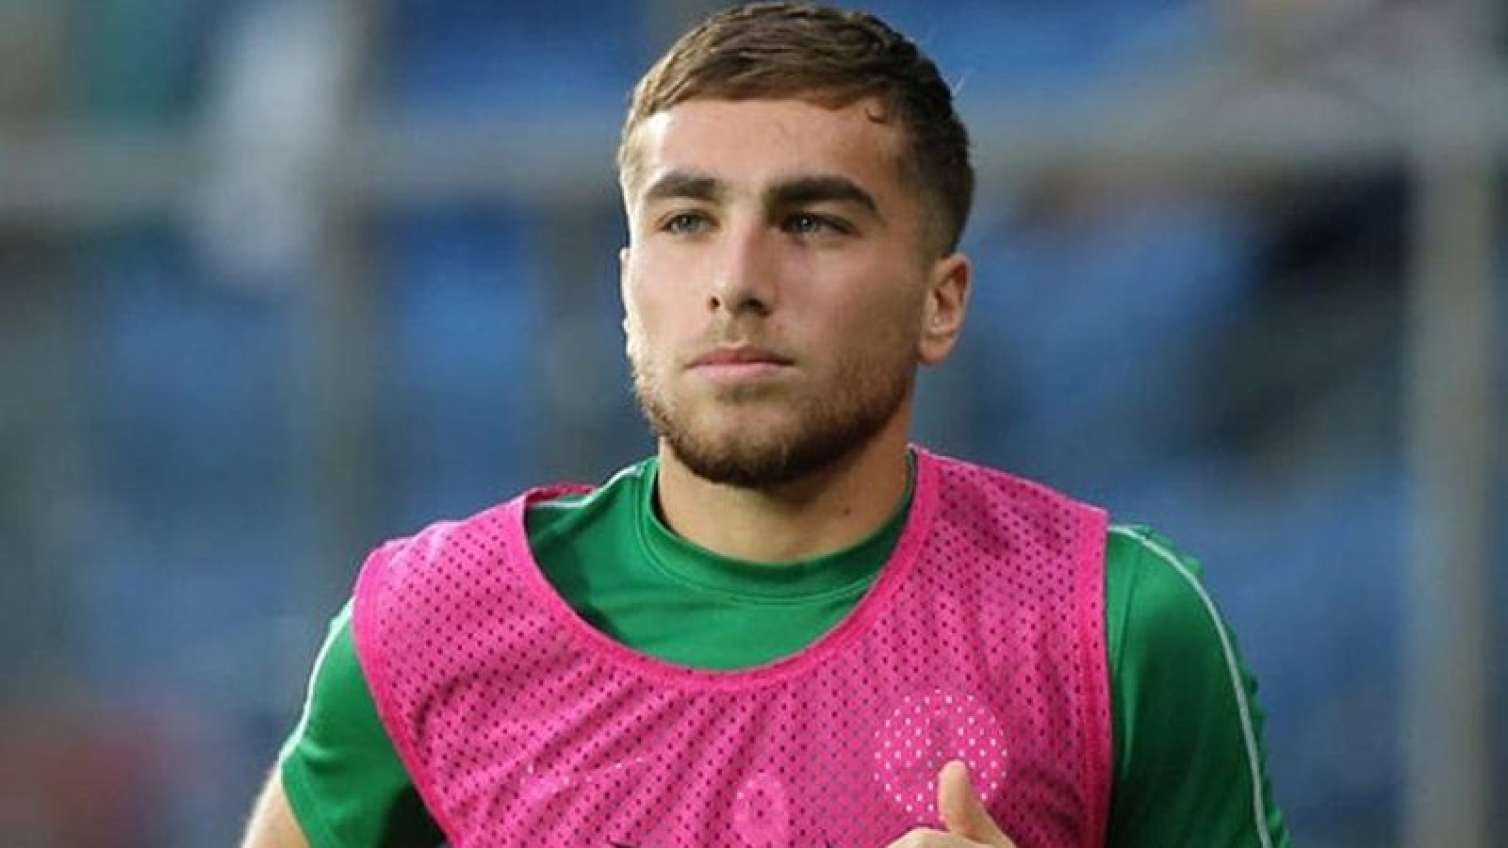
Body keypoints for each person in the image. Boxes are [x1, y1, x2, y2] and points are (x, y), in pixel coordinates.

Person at [241, 3, 1290, 846]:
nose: (736, 280)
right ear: (628, 289)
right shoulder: (429, 620)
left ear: (940, 303)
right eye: (686, 221)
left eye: (812, 222)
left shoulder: (1115, 624)